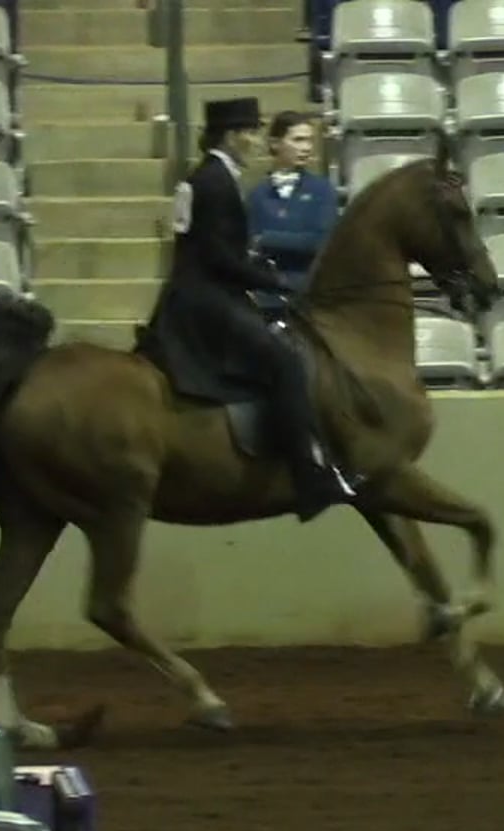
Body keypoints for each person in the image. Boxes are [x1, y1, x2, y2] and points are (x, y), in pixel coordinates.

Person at [139, 96, 358, 523]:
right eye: (251, 133)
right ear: (231, 135)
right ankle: (308, 477)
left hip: (198, 295)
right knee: (285, 362)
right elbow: (219, 258)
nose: (257, 141)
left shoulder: (207, 177)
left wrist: (255, 267)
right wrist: (270, 280)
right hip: (209, 302)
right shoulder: (216, 183)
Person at [246, 110, 339, 313]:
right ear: (275, 143)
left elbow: (322, 242)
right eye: (298, 140)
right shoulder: (257, 195)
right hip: (265, 299)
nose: (306, 148)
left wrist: (266, 239)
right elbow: (248, 246)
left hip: (309, 298)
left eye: (309, 140)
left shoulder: (322, 190)